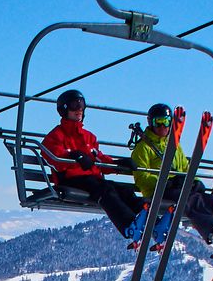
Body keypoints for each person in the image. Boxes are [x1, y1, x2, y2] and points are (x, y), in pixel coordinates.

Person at [131, 102, 213, 256]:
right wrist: (165, 181)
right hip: (158, 192)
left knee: (212, 199)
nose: (162, 126)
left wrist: (191, 180)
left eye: (166, 122)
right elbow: (141, 178)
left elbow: (185, 168)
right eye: (158, 122)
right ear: (151, 123)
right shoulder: (142, 148)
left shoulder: (174, 146)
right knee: (191, 201)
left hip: (178, 188)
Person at [40, 89, 149, 245]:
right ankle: (129, 225)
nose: (79, 109)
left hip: (93, 179)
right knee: (105, 190)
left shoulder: (88, 137)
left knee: (124, 191)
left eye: (81, 105)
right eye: (74, 105)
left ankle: (151, 219)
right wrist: (73, 156)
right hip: (70, 179)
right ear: (64, 109)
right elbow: (53, 158)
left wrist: (118, 164)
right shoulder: (55, 137)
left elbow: (100, 159)